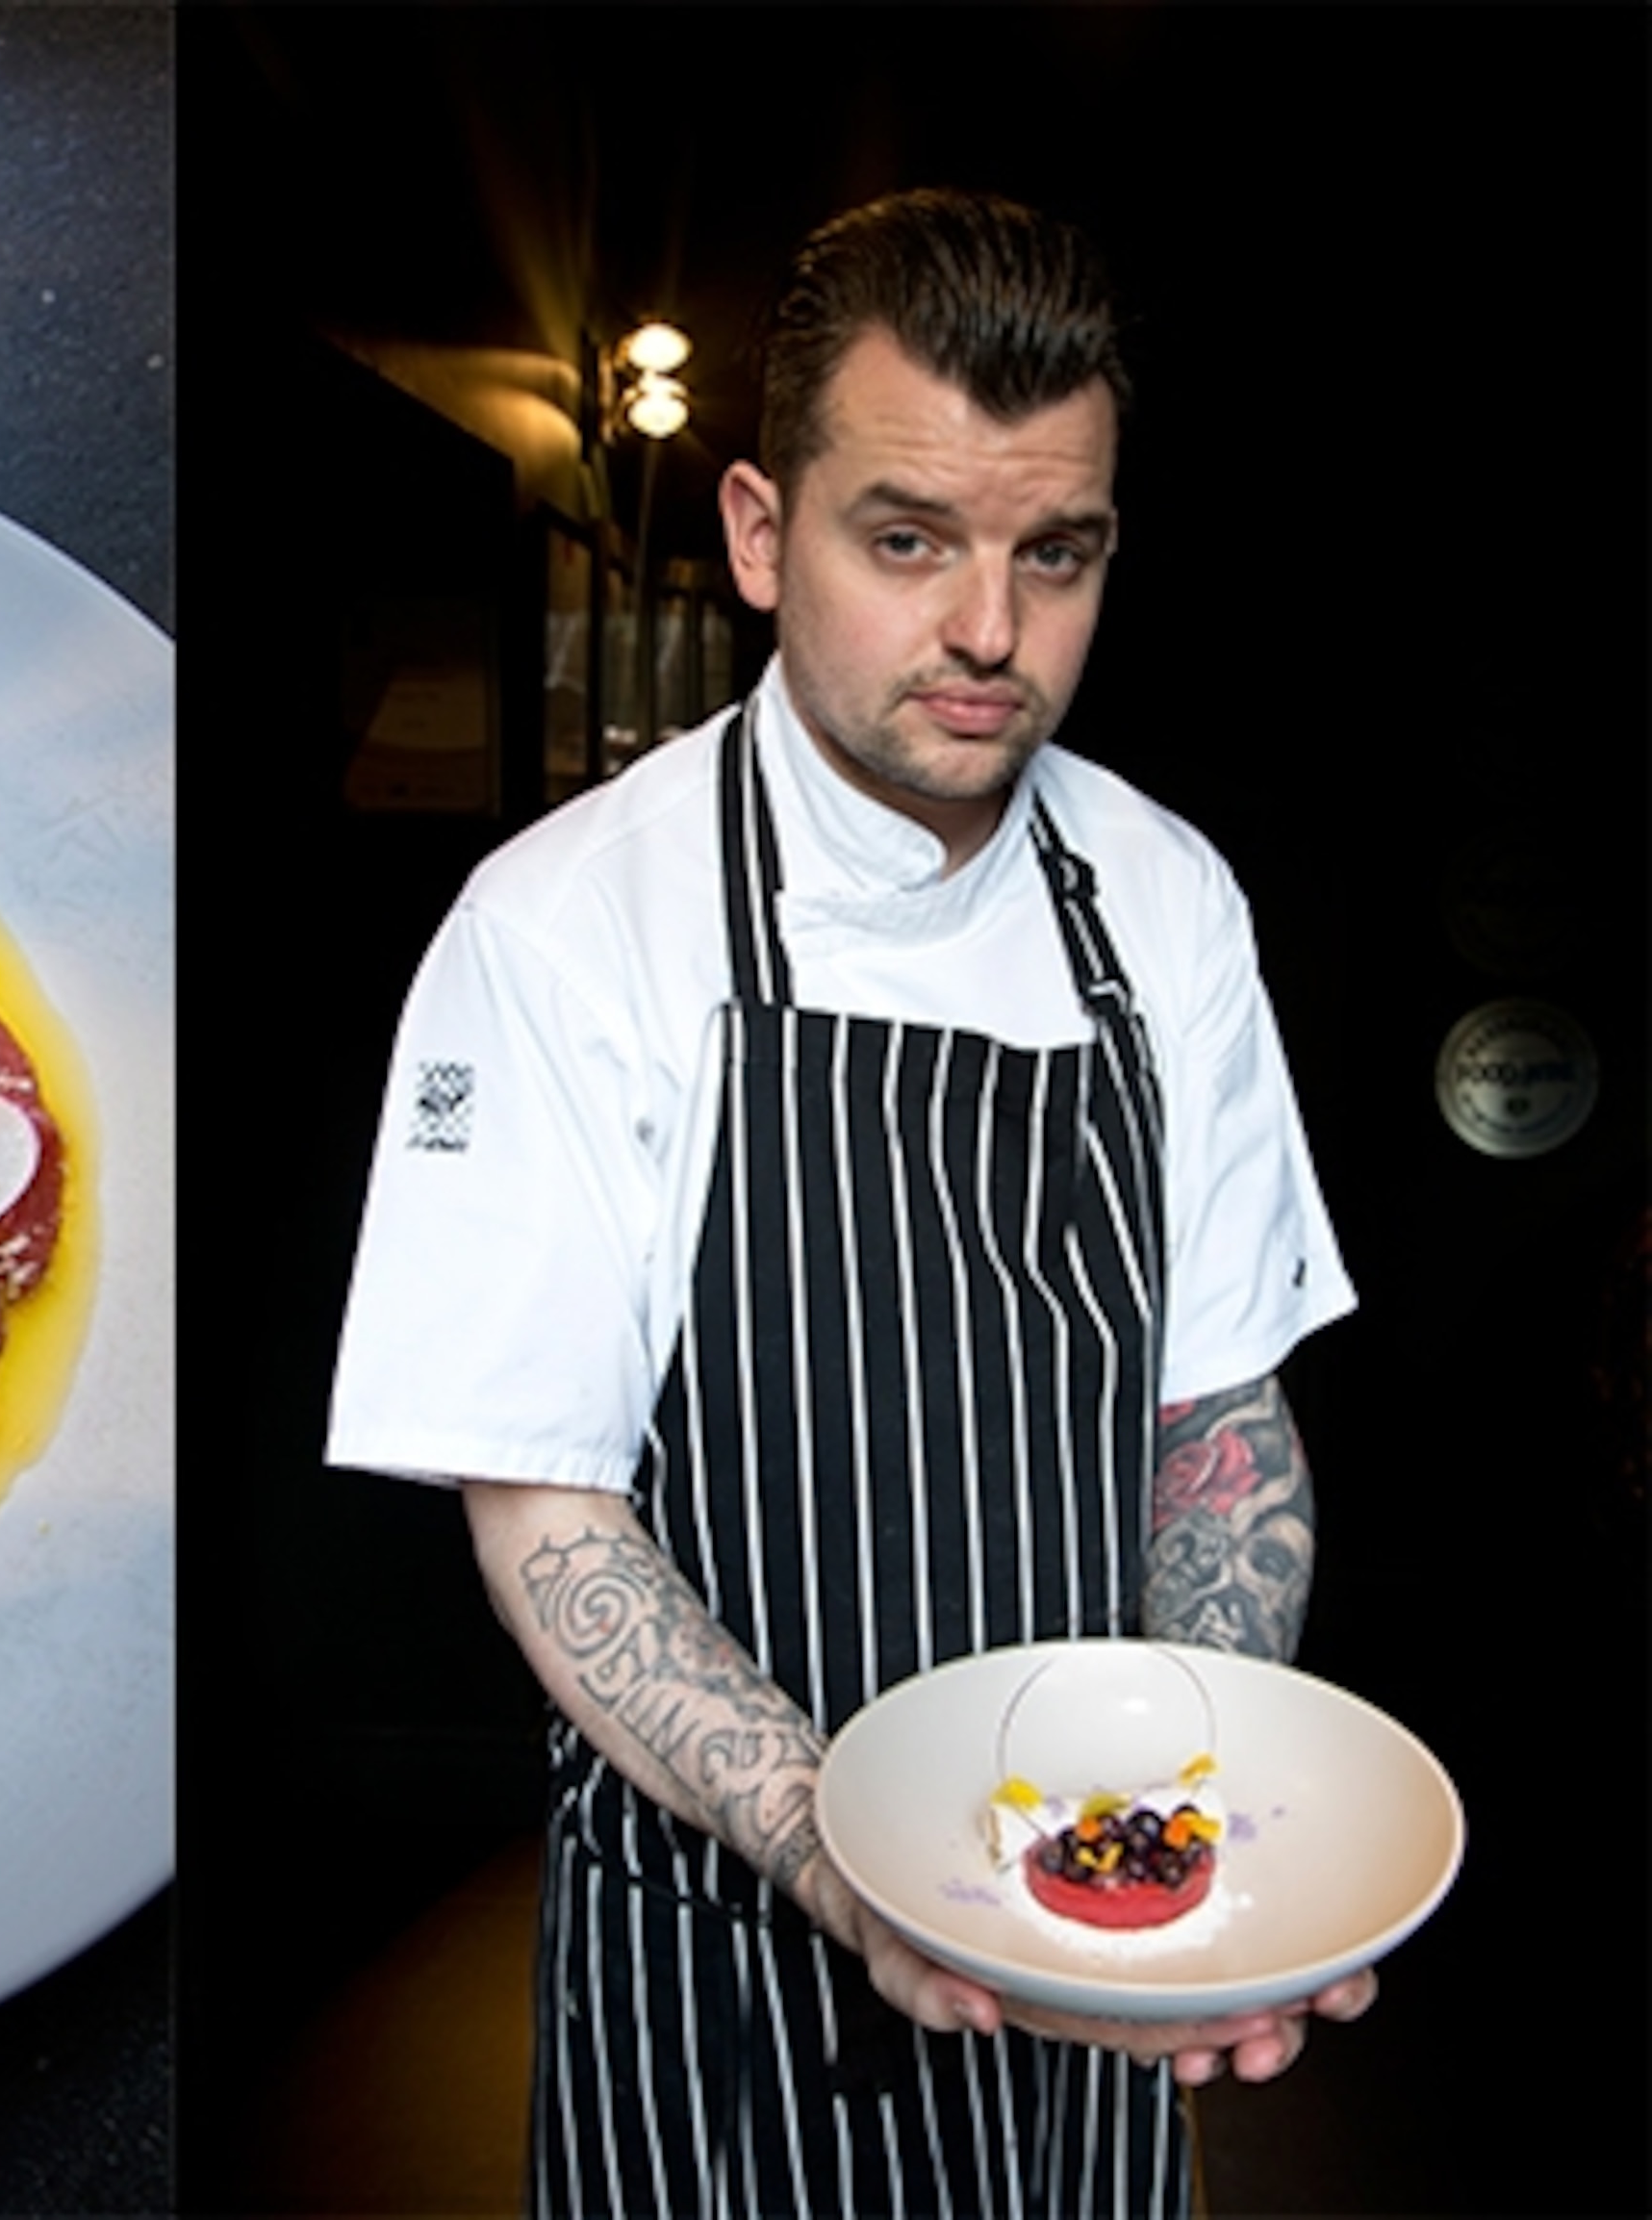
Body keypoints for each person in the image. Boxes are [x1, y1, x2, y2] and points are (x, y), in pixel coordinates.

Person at [324, 187, 1375, 2219]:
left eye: (1050, 553)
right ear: (752, 531)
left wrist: (1181, 1836)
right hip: (720, 1961)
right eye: (909, 539)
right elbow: (545, 1506)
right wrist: (840, 1847)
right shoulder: (562, 931)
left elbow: (1219, 1421)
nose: (989, 627)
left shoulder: (1165, 902)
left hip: (1078, 1982)